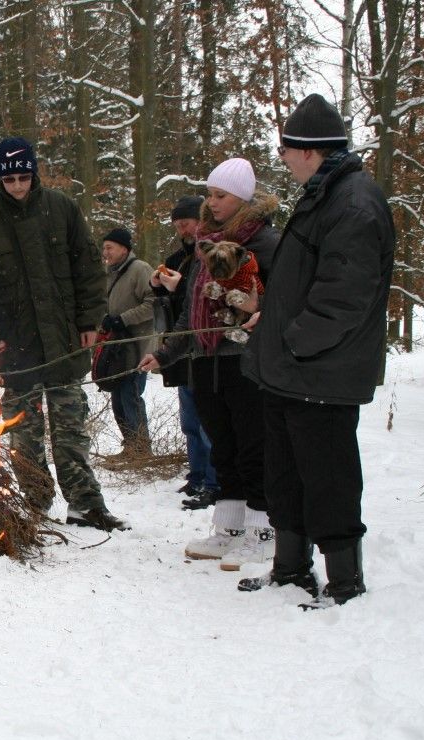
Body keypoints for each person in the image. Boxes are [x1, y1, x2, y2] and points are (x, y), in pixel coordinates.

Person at [240, 94, 395, 607]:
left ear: (308, 150)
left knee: (328, 480)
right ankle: (290, 568)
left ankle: (345, 582)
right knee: (286, 476)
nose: (282, 157)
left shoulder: (353, 204)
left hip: (323, 372)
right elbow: (302, 283)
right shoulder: (323, 195)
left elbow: (342, 299)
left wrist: (292, 340)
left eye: (285, 148)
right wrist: (272, 318)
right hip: (293, 371)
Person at [0, 136, 128, 533]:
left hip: (64, 342)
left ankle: (85, 504)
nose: (17, 186)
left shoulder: (62, 209)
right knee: (24, 434)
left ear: (34, 173)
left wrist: (89, 321)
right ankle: (35, 503)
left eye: (23, 177)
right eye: (9, 179)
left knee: (70, 429)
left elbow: (88, 270)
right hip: (15, 347)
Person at [139, 158, 279, 571]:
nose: (212, 202)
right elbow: (191, 309)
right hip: (205, 360)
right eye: (210, 194)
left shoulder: (266, 243)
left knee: (253, 446)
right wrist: (166, 353)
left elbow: (284, 301)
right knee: (223, 446)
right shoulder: (205, 244)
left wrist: (260, 311)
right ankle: (230, 529)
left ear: (244, 198)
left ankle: (263, 531)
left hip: (246, 361)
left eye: (221, 195)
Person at [153, 196, 219, 510]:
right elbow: (177, 308)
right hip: (181, 350)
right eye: (178, 225)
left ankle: (214, 481)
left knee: (209, 422)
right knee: (190, 421)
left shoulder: (212, 256)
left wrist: (180, 288)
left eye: (187, 223)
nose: (183, 230)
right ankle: (197, 475)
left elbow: (205, 303)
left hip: (205, 349)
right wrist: (158, 287)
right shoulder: (177, 259)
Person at [98, 227, 155, 460]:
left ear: (124, 248)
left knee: (131, 395)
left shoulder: (140, 269)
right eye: (104, 248)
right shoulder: (111, 273)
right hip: (117, 348)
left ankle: (141, 449)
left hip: (137, 346)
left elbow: (153, 303)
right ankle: (130, 446)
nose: (105, 252)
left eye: (109, 247)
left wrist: (123, 319)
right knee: (118, 398)